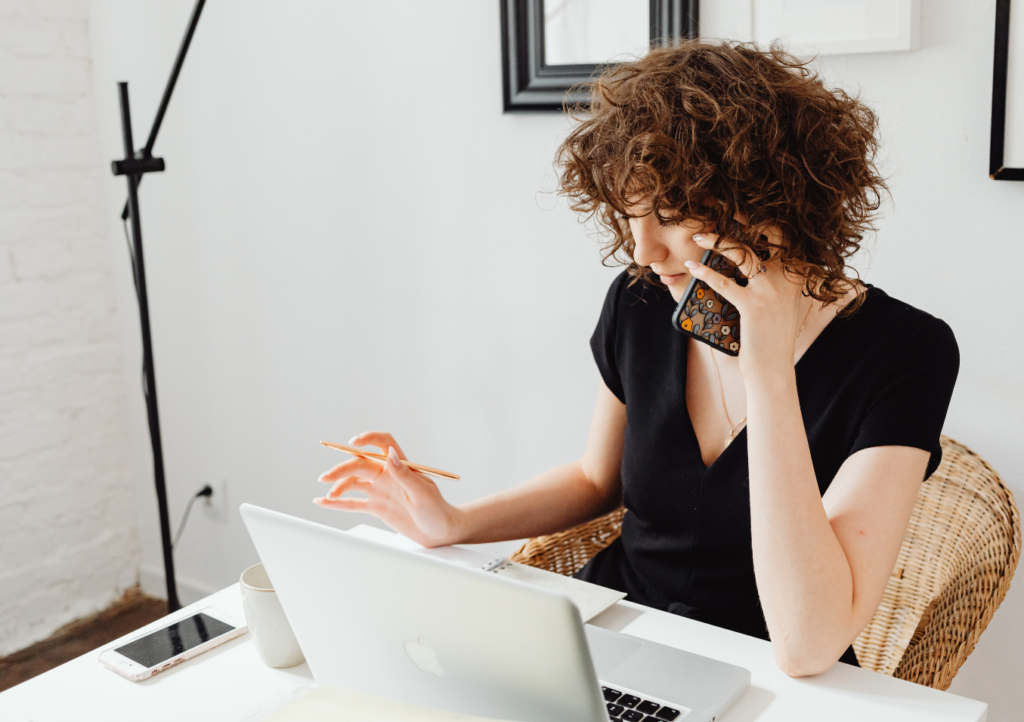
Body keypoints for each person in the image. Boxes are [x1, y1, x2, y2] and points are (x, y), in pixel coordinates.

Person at [314, 42, 959, 677]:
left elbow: (807, 642)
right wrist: (453, 523)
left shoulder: (907, 353)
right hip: (609, 642)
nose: (644, 250)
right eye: (631, 215)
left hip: (761, 679)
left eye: (672, 215)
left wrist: (767, 376)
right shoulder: (642, 300)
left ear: (773, 202)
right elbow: (598, 480)